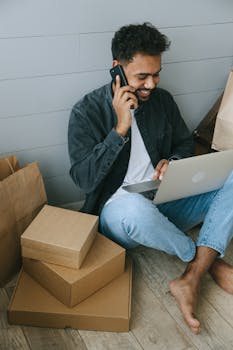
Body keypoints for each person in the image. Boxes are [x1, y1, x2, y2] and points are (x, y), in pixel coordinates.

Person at [68, 22, 233, 334]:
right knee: (133, 209)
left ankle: (193, 275)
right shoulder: (85, 112)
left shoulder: (162, 101)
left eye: (156, 73)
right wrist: (119, 128)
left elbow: (184, 143)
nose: (151, 83)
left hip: (166, 197)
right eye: (142, 76)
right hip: (121, 214)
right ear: (117, 69)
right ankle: (206, 262)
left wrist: (174, 162)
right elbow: (84, 180)